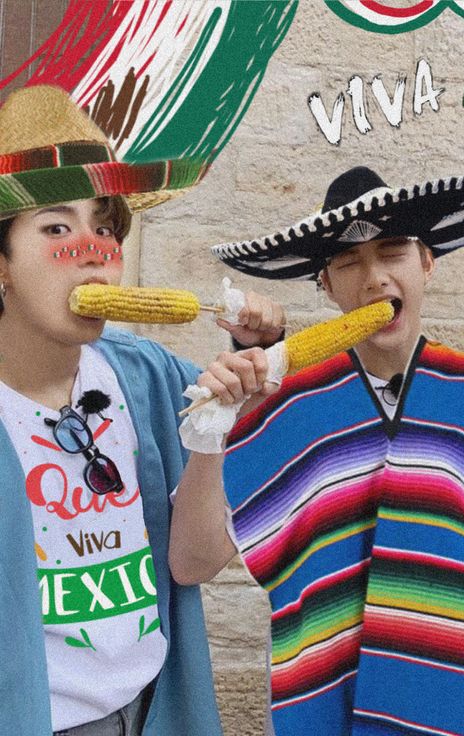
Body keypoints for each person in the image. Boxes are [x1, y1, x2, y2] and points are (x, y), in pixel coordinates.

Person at [170, 166, 464, 736]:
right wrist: (212, 433)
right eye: (348, 263)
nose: (373, 278)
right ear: (325, 283)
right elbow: (191, 562)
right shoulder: (283, 404)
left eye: (392, 252)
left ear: (426, 261)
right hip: (321, 706)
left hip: (447, 701)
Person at [0, 84, 283, 735]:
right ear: (3, 264)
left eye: (104, 228)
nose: (92, 250)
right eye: (56, 228)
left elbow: (195, 564)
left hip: (158, 710)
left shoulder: (149, 375)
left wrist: (223, 412)